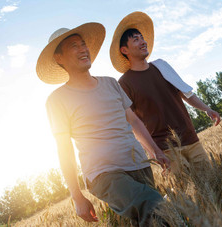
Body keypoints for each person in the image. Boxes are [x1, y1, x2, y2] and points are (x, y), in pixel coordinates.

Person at [36, 22, 170, 226]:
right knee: (158, 207)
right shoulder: (57, 100)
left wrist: (155, 150)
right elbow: (64, 150)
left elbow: (133, 120)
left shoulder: (110, 83)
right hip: (105, 174)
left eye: (83, 44)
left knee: (151, 221)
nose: (83, 49)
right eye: (74, 46)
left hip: (139, 164)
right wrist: (76, 196)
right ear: (59, 58)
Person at [109, 12, 221, 176]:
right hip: (165, 148)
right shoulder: (124, 83)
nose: (143, 42)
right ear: (124, 49)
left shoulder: (161, 66)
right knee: (187, 195)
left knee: (212, 182)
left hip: (190, 137)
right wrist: (154, 152)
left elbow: (186, 92)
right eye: (136, 39)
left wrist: (207, 109)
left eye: (142, 38)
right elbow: (133, 123)